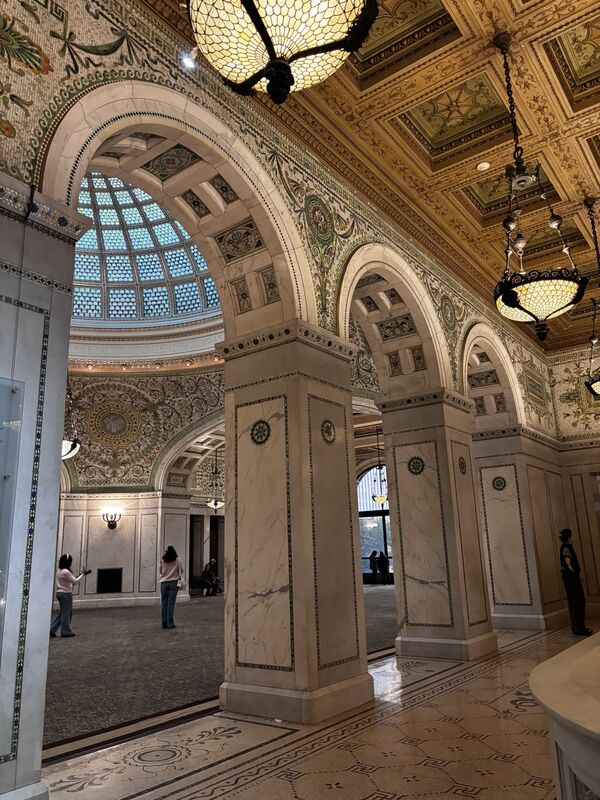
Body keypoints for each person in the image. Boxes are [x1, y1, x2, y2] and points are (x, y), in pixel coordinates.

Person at [559, 529, 592, 636]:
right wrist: (575, 575)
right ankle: (578, 628)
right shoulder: (565, 548)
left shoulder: (567, 547)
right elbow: (568, 563)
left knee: (579, 602)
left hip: (573, 578)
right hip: (571, 580)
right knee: (576, 602)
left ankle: (580, 627)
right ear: (569, 537)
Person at [49, 554, 91, 638]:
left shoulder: (59, 570)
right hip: (65, 594)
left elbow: (70, 580)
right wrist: (83, 574)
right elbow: (75, 581)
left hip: (60, 593)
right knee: (66, 613)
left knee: (62, 613)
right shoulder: (66, 571)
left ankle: (52, 629)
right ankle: (65, 631)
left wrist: (81, 574)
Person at [159, 545, 183, 629]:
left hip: (163, 583)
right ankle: (170, 623)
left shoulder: (163, 560)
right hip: (173, 583)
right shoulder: (178, 560)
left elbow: (160, 571)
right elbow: (182, 570)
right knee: (171, 604)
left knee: (164, 603)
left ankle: (164, 623)